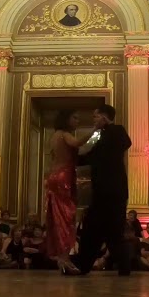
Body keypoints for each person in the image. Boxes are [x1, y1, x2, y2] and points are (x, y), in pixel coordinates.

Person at [72, 105, 133, 275]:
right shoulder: (102, 137)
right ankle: (85, 265)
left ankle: (87, 265)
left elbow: (125, 143)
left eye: (95, 116)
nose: (93, 120)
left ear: (104, 117)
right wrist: (71, 158)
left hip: (113, 192)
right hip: (103, 191)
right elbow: (91, 156)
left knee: (108, 230)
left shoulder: (117, 131)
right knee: (97, 230)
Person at [45, 110, 91, 274]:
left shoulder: (54, 136)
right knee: (66, 217)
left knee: (59, 217)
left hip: (54, 176)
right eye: (75, 117)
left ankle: (63, 258)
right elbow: (77, 143)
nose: (77, 121)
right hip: (63, 177)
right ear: (66, 119)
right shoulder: (65, 134)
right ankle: (64, 258)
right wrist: (95, 131)